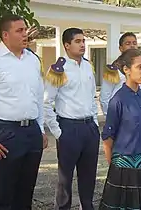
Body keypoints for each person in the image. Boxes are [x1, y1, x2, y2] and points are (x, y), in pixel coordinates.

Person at [0, 14, 47, 209]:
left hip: (30, 132)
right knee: (2, 194)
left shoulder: (32, 59)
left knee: (25, 193)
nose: (26, 34)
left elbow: (38, 97)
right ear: (5, 35)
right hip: (4, 133)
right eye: (20, 31)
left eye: (25, 29)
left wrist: (40, 128)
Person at [44, 28, 100, 210]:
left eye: (83, 41)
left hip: (88, 128)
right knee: (65, 178)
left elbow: (92, 97)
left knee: (88, 176)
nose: (82, 44)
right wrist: (58, 132)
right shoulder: (58, 70)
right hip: (68, 127)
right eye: (77, 41)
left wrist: (95, 124)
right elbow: (46, 103)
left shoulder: (88, 66)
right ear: (67, 45)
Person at [99, 49, 141, 209]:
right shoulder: (118, 100)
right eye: (139, 67)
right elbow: (108, 137)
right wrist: (116, 166)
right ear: (126, 69)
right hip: (124, 167)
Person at [100, 32, 138, 116]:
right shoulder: (113, 70)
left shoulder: (140, 69)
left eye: (134, 43)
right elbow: (104, 98)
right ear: (121, 48)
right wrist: (112, 117)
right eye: (128, 43)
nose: (132, 46)